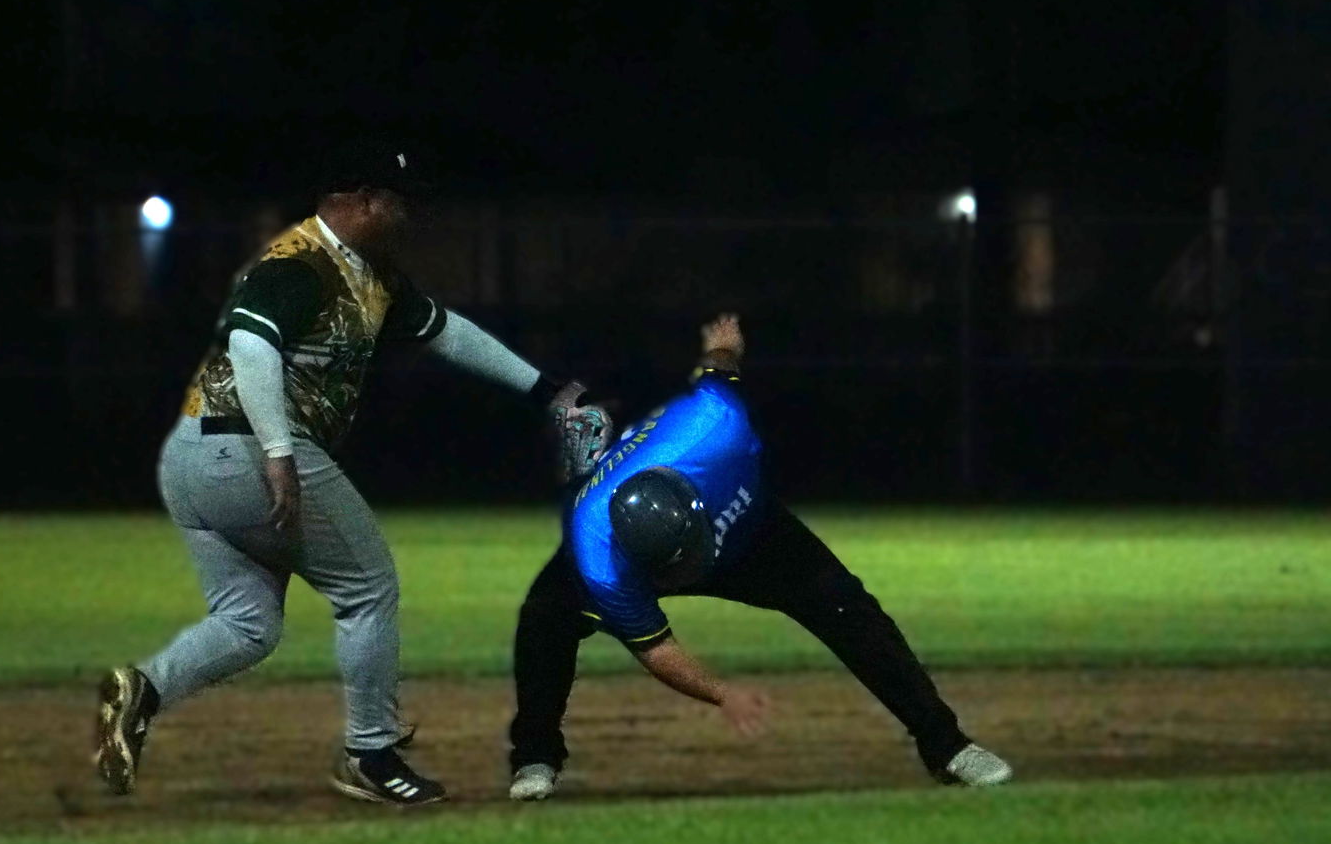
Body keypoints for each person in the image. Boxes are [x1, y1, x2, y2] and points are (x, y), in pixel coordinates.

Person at [96, 143, 584, 807]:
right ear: (359, 200)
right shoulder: (304, 264)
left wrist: (544, 388)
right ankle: (370, 752)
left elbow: (447, 333)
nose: (406, 210)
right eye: (396, 197)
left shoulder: (369, 273)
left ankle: (144, 690)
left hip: (191, 455)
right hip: (246, 449)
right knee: (369, 584)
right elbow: (248, 343)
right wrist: (277, 452)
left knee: (248, 622)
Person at [506, 313, 1013, 801]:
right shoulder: (597, 550)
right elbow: (657, 648)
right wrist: (723, 693)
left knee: (848, 609)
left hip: (751, 534)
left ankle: (947, 745)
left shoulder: (717, 425)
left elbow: (719, 367)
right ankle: (536, 755)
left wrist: (723, 342)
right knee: (544, 618)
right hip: (632, 541)